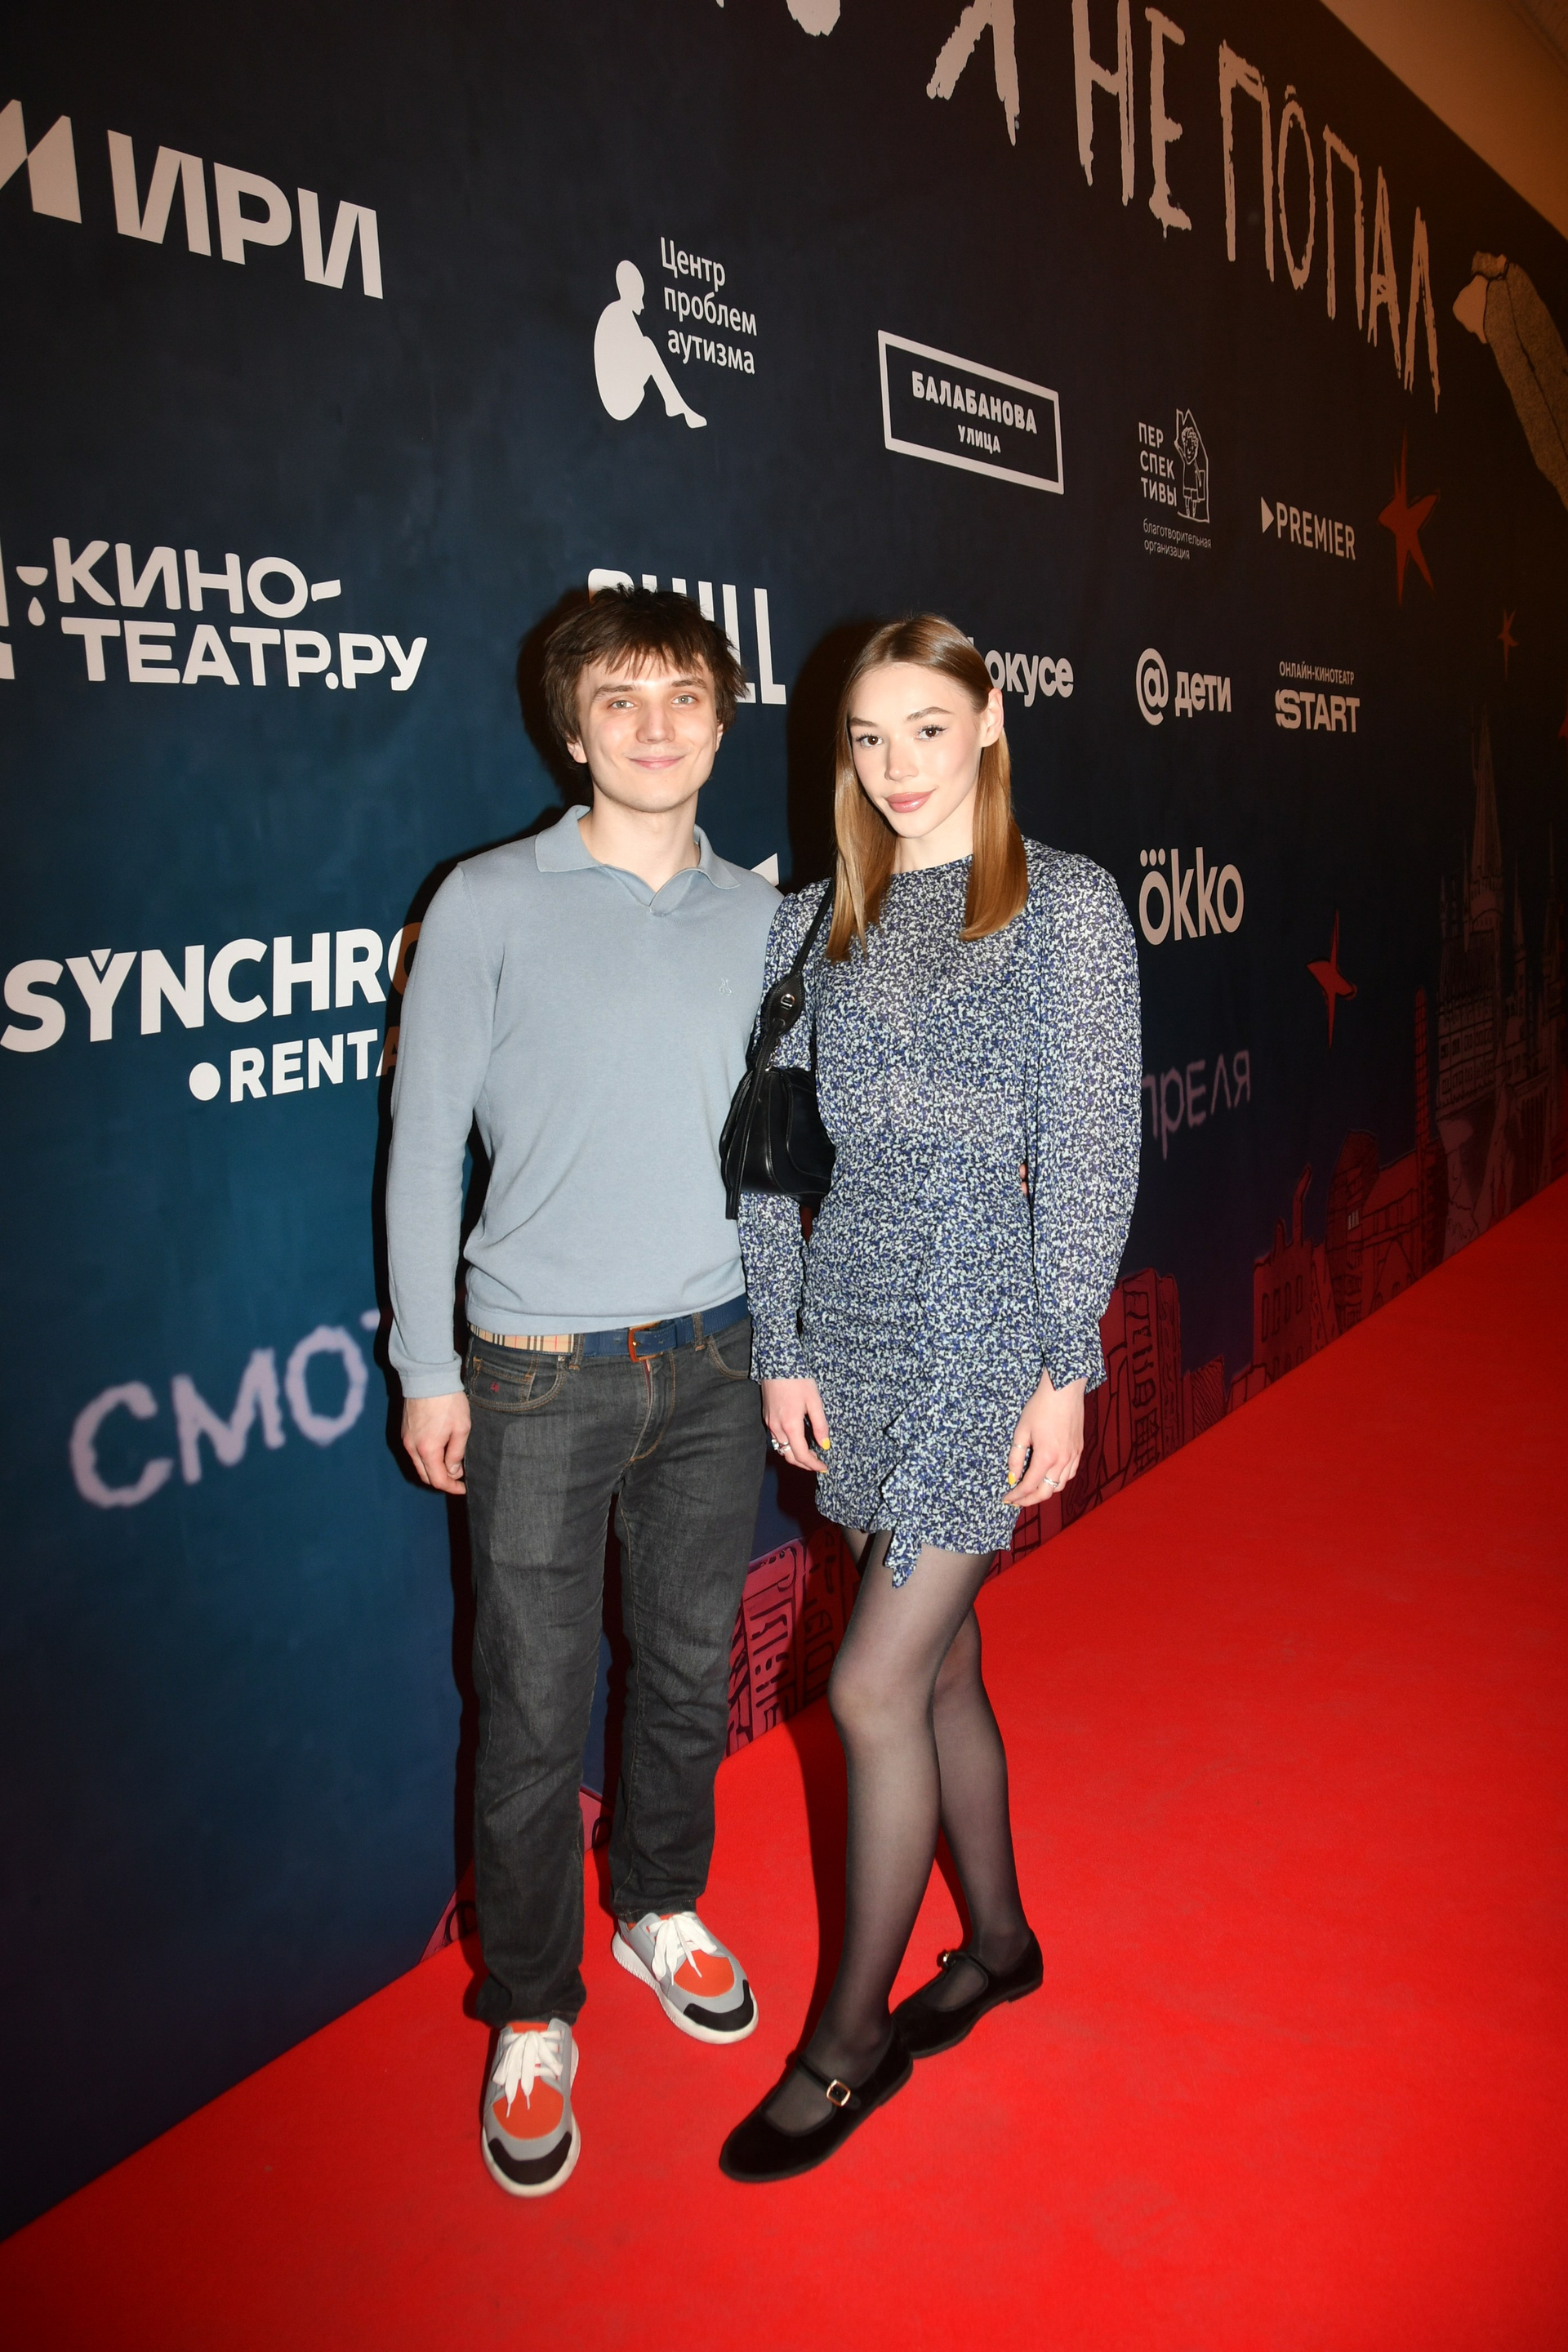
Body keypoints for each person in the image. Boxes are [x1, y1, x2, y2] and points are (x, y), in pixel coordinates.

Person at [719, 613, 1140, 2182]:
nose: (896, 766)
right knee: (943, 1666)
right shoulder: (814, 918)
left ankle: (848, 2046)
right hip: (854, 1324)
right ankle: (1003, 1942)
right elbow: (771, 1160)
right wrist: (784, 1343)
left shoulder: (1066, 906)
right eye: (866, 737)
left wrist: (1065, 1365)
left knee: (870, 1688)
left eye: (925, 728)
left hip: (985, 1323)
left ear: (990, 716)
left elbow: (1090, 1149)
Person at [386, 587, 777, 2198]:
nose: (654, 726)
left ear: (721, 722)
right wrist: (427, 1367)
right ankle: (534, 2006)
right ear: (572, 730)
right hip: (535, 1372)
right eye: (619, 699)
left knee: (685, 1668)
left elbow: (790, 1152)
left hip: (718, 1357)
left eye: (682, 695)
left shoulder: (764, 914)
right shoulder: (485, 901)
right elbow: (423, 1147)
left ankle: (660, 1907)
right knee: (536, 1703)